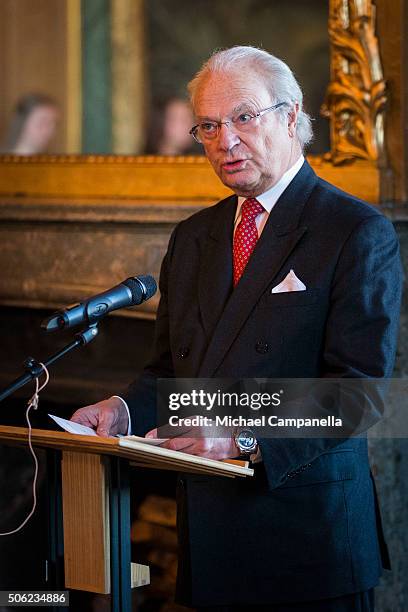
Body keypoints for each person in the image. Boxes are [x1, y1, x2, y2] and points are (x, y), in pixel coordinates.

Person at [72, 46, 403, 610]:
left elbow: (359, 391)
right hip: (210, 530)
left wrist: (244, 437)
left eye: (243, 117)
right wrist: (126, 411)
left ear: (291, 117)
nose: (225, 141)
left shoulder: (355, 231)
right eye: (208, 125)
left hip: (306, 536)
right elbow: (169, 375)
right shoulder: (194, 237)